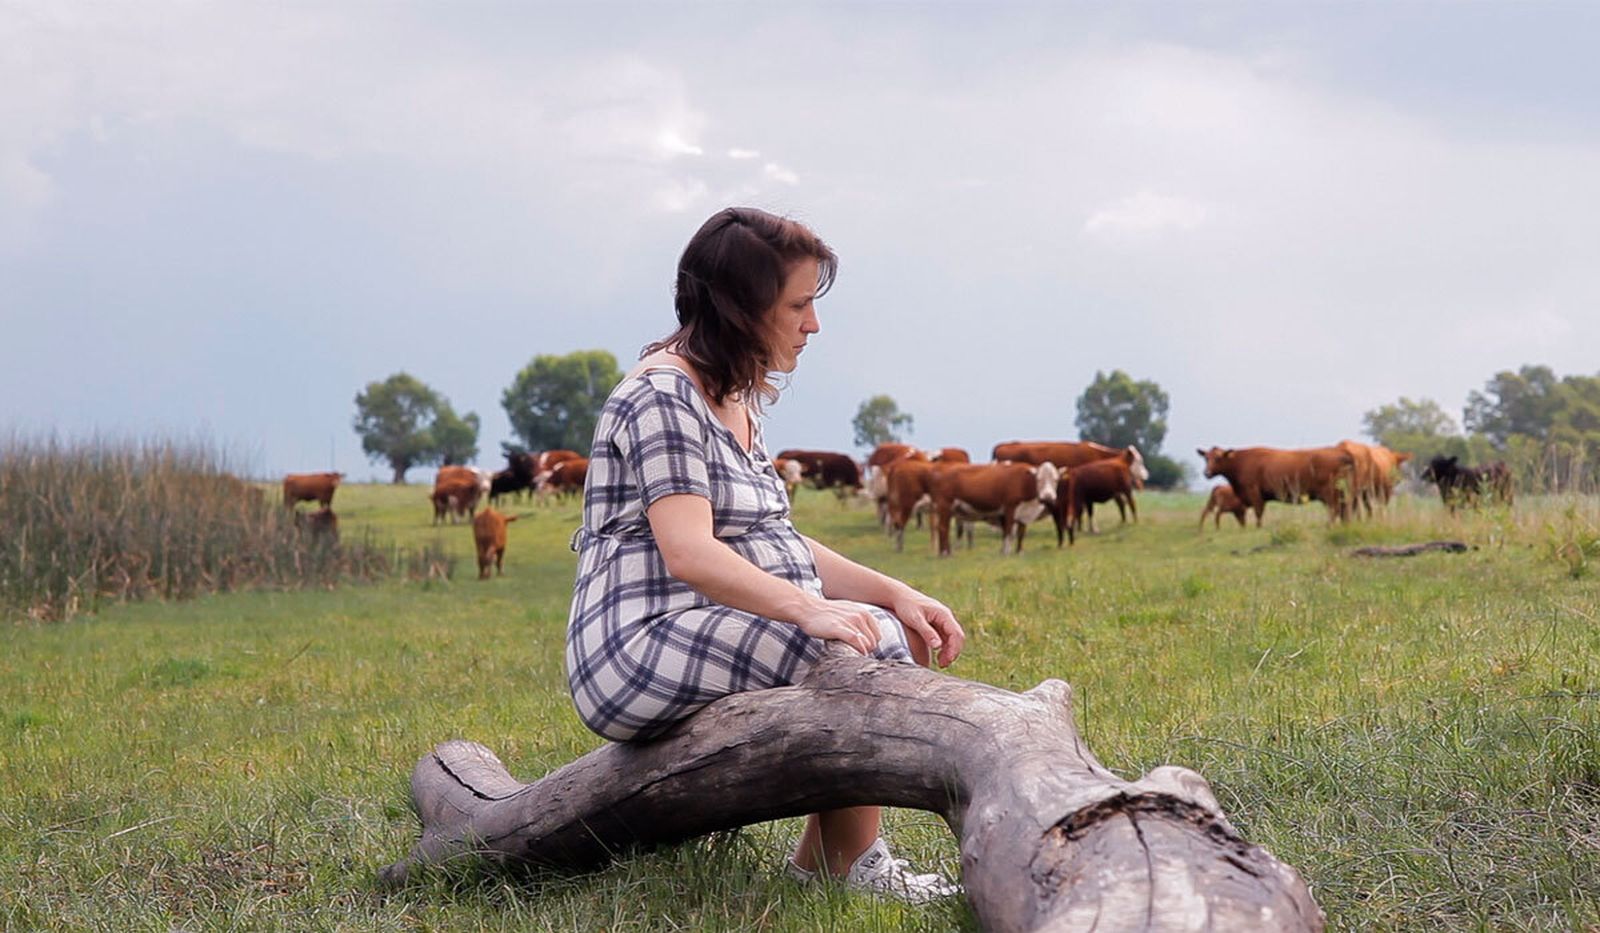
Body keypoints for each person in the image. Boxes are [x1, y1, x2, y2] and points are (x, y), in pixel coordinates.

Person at [566, 207, 966, 903]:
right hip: (634, 642)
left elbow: (776, 537)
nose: (813, 324)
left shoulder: (733, 396)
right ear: (741, 307)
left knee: (880, 630)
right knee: (851, 653)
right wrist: (813, 610)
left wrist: (893, 591)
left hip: (703, 625)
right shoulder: (661, 394)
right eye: (799, 305)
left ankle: (826, 863)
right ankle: (854, 865)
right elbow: (690, 550)